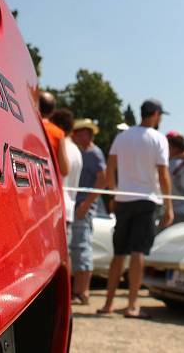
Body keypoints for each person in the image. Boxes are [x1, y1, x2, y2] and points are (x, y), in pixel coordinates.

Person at [97, 99, 172, 319]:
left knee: (119, 252)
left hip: (123, 199)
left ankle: (108, 303)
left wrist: (113, 194)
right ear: (156, 114)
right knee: (138, 252)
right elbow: (163, 174)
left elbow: (110, 166)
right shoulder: (158, 139)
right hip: (146, 200)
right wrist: (169, 204)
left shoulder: (123, 136)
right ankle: (132, 305)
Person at [70, 118, 106, 305]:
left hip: (84, 203)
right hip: (77, 202)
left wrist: (87, 203)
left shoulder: (94, 154)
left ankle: (82, 291)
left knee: (82, 244)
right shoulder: (80, 152)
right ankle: (78, 290)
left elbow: (102, 180)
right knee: (76, 246)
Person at [50, 108, 82, 283]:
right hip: (69, 205)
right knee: (64, 254)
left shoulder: (61, 145)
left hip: (55, 206)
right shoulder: (77, 150)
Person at [38, 91, 69, 177]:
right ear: (52, 112)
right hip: (48, 181)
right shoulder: (58, 134)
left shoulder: (28, 127)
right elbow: (65, 170)